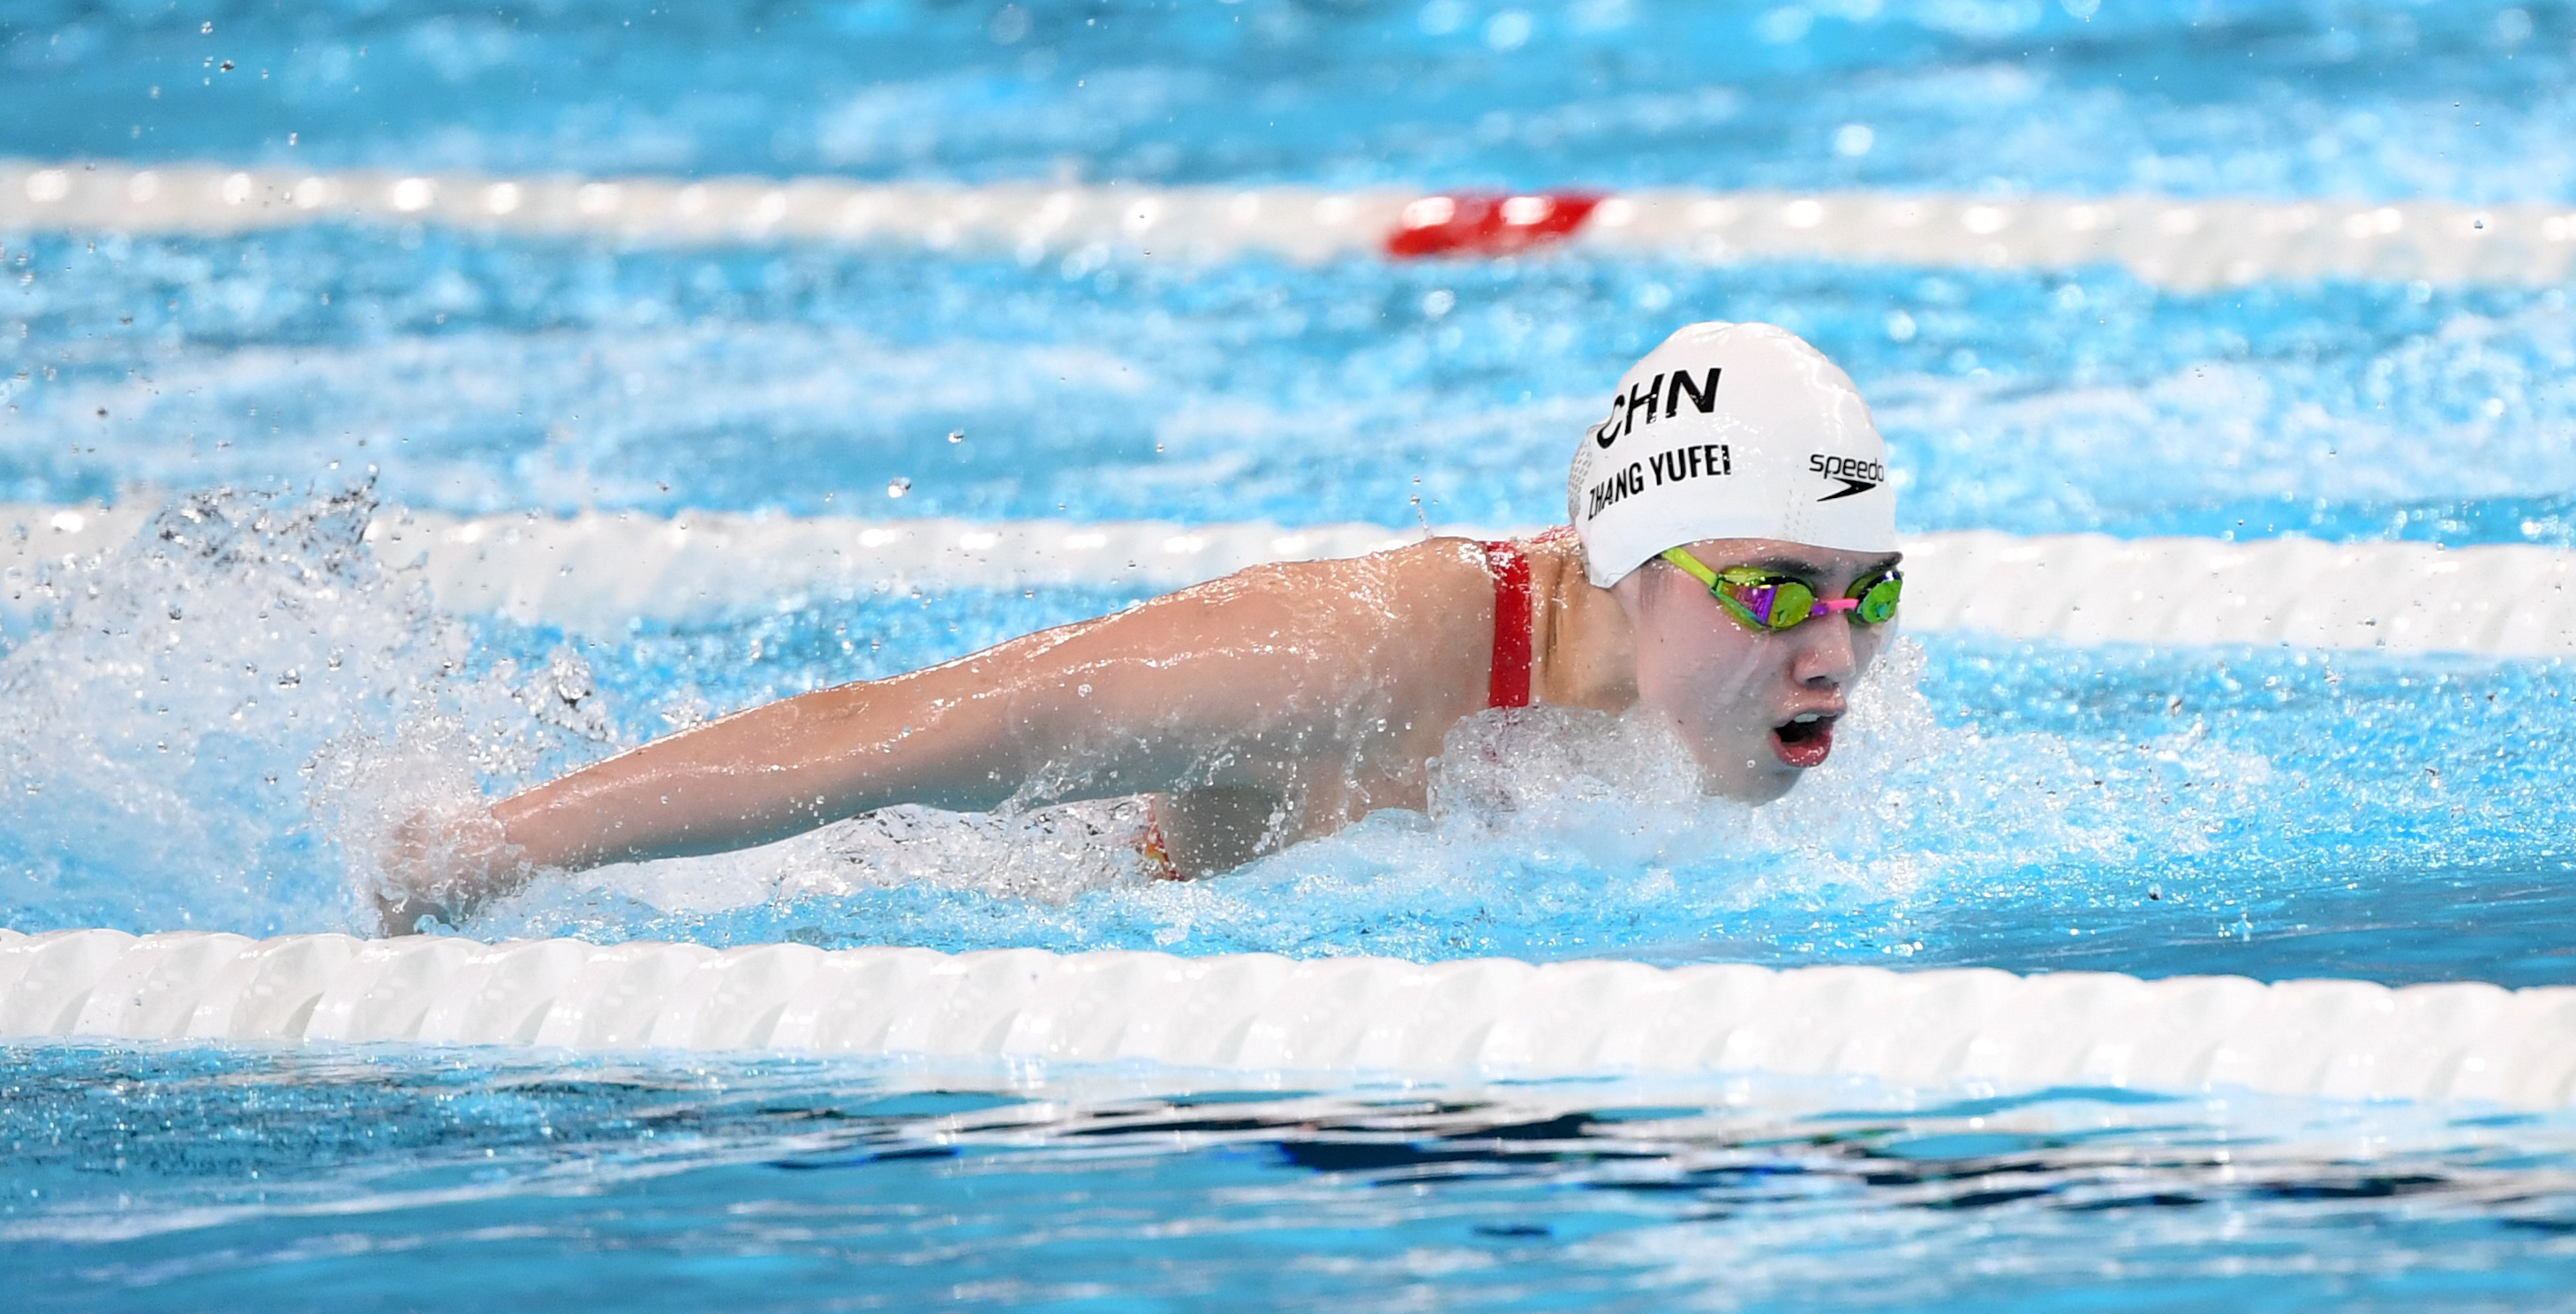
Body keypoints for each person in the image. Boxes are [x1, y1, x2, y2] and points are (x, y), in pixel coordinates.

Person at [374, 321, 1904, 930]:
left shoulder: (1736, 689)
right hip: (1016, 932)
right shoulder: (1347, 657)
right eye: (1773, 591)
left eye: (1865, 594)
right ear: (1622, 563)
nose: (1831, 652)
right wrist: (484, 848)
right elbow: (902, 733)